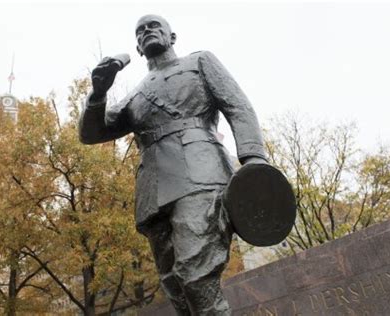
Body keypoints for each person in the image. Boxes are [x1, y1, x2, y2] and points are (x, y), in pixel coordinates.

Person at [79, 14, 267, 315]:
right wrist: (98, 93)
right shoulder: (136, 95)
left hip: (201, 175)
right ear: (138, 49)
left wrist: (254, 159)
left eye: (154, 26)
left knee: (196, 274)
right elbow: (90, 133)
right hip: (154, 191)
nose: (147, 31)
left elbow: (238, 106)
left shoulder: (200, 62)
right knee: (174, 284)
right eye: (140, 31)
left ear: (172, 37)